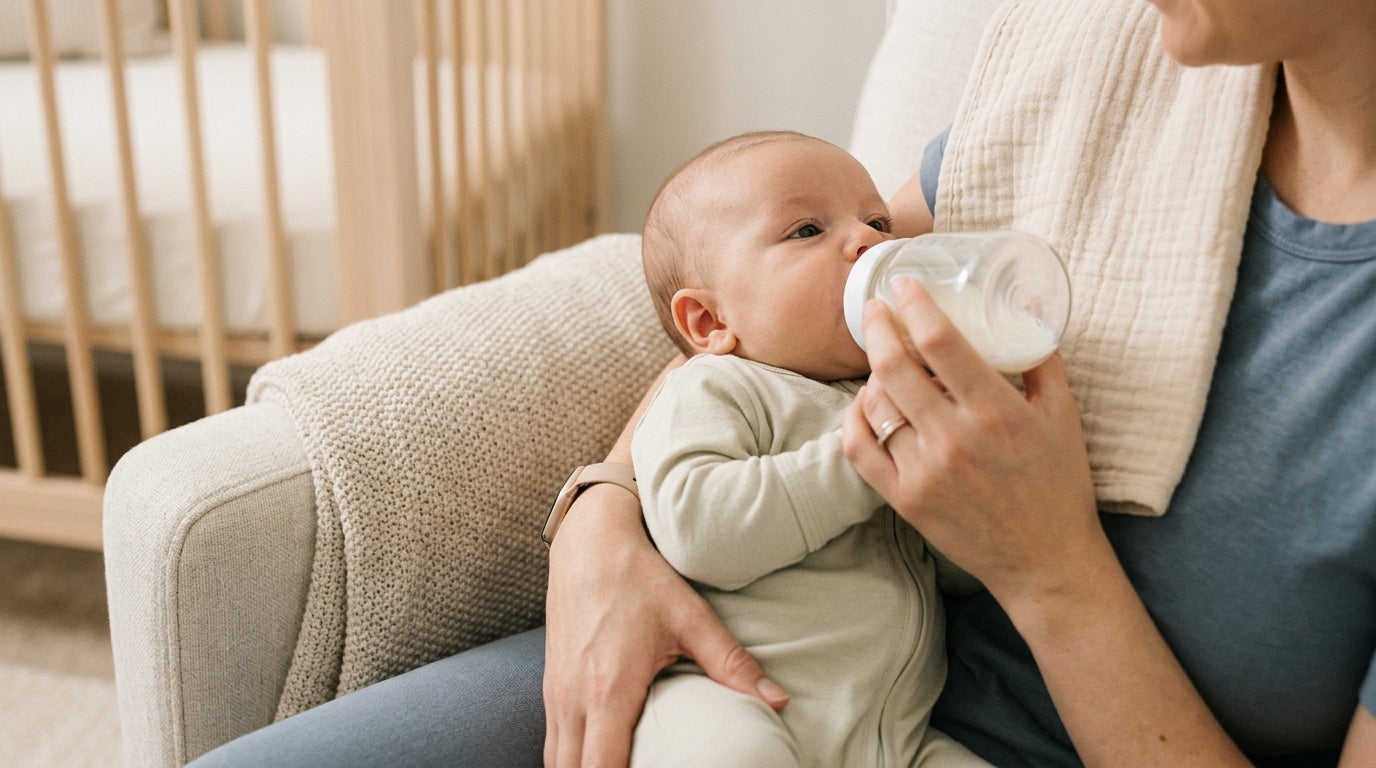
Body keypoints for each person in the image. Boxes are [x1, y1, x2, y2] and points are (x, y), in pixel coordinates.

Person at [190, 0, 1376, 765]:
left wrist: (1046, 569)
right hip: (732, 666)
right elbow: (774, 336)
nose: (866, 241)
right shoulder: (1101, 72)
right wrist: (600, 521)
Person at [625, 130, 981, 767]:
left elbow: (958, 574)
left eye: (877, 220)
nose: (870, 241)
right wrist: (868, 450)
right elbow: (700, 531)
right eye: (806, 231)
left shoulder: (892, 393)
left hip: (894, 739)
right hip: (732, 701)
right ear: (709, 323)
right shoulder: (719, 387)